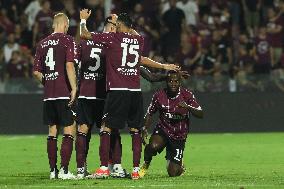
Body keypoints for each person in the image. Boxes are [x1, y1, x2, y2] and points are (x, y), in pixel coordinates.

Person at [80, 9, 179, 179]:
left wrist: (83, 20)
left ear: (118, 25)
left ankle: (104, 168)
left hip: (117, 91)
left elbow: (84, 35)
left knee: (106, 128)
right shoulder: (139, 40)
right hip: (134, 92)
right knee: (135, 130)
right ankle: (135, 170)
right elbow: (138, 48)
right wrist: (163, 66)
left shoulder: (112, 38)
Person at [33, 13, 77, 180]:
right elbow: (69, 65)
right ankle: (65, 171)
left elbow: (37, 72)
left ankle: (53, 171)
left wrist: (48, 82)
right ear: (65, 25)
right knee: (69, 129)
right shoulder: (68, 40)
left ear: (53, 25)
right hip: (63, 92)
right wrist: (73, 88)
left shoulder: (41, 44)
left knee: (52, 131)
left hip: (49, 95)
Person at [139, 71, 203, 177]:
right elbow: (150, 113)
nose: (173, 84)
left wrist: (188, 107)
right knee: (152, 146)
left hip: (179, 135)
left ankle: (178, 162)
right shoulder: (159, 95)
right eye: (170, 81)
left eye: (176, 81)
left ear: (180, 83)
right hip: (163, 130)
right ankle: (146, 164)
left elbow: (201, 113)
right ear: (166, 82)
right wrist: (145, 127)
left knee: (173, 173)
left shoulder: (187, 95)